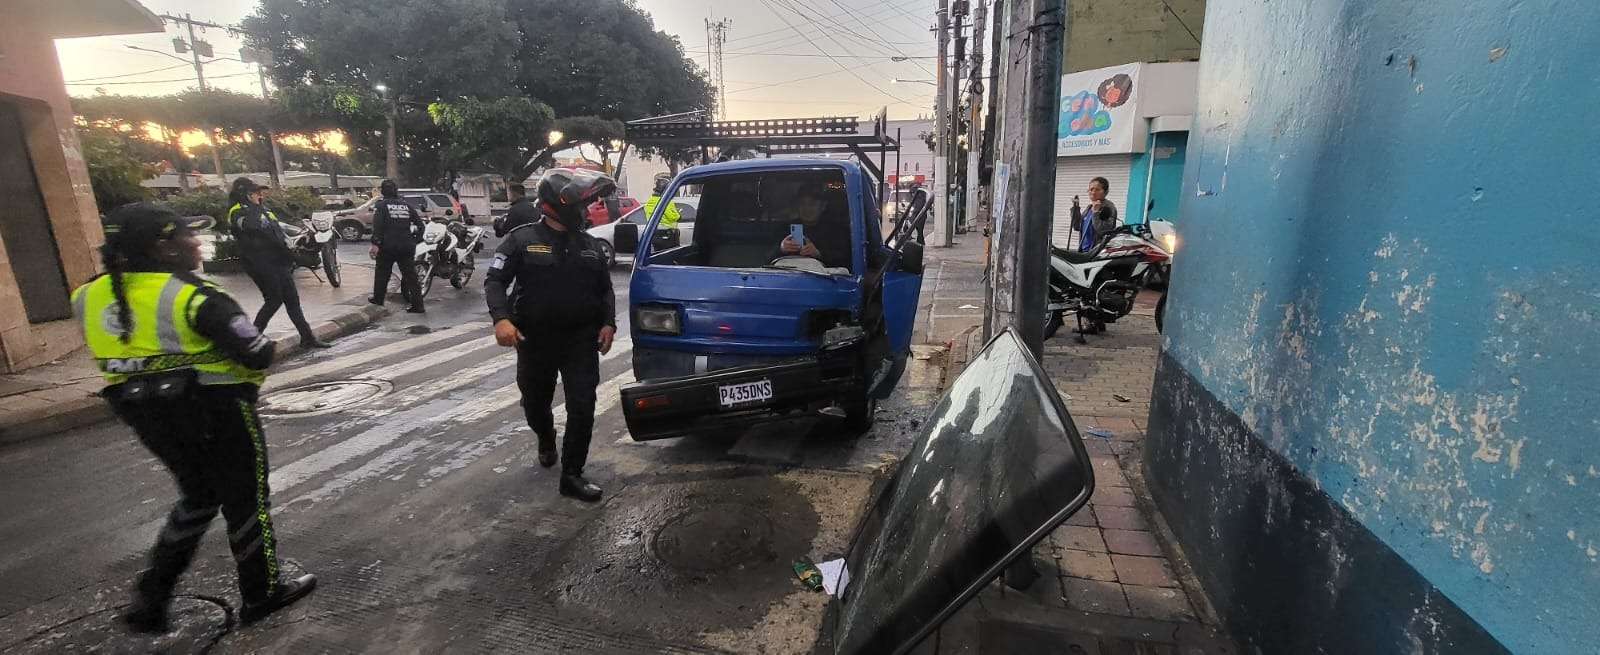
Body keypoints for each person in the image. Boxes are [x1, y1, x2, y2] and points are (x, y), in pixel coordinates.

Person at [75, 203, 317, 634]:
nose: (196, 242)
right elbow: (257, 350)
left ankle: (151, 597)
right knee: (245, 497)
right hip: (217, 408)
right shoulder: (191, 294)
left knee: (198, 495)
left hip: (145, 415)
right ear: (163, 247)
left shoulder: (87, 295)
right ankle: (261, 593)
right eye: (187, 235)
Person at [484, 169, 618, 502]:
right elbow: (495, 281)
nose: (585, 212)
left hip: (580, 341)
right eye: (581, 205)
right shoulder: (521, 239)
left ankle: (572, 474)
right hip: (535, 341)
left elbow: (606, 291)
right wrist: (501, 319)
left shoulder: (590, 246)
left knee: (583, 406)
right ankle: (545, 436)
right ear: (558, 204)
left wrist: (608, 323)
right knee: (535, 404)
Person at [227, 178, 331, 348]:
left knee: (292, 300)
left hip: (278, 260)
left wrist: (294, 246)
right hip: (259, 262)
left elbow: (278, 230)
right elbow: (253, 227)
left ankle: (308, 338)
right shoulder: (237, 211)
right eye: (256, 193)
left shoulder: (263, 209)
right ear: (246, 195)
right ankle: (251, 341)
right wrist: (253, 207)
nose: (261, 195)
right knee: (274, 299)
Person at [368, 179, 426, 313]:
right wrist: (415, 240)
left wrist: (375, 244)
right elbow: (421, 226)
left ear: (382, 191)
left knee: (382, 273)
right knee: (411, 276)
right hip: (406, 246)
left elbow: (378, 226)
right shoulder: (406, 206)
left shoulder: (381, 206)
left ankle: (378, 299)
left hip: (387, 246)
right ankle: (418, 305)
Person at [773, 184, 852, 269]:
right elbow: (766, 258)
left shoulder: (837, 231)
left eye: (812, 203)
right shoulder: (785, 228)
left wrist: (818, 254)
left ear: (823, 206)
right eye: (802, 203)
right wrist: (781, 248)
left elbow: (846, 262)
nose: (807, 208)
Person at [1070, 176, 1120, 252]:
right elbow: (1077, 227)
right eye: (1091, 189)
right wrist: (1075, 209)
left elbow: (1103, 231)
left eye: (1097, 189)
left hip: (1097, 252)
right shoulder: (1089, 208)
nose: (1093, 192)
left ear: (1106, 192)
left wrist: (1096, 213)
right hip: (1084, 252)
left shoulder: (1108, 207)